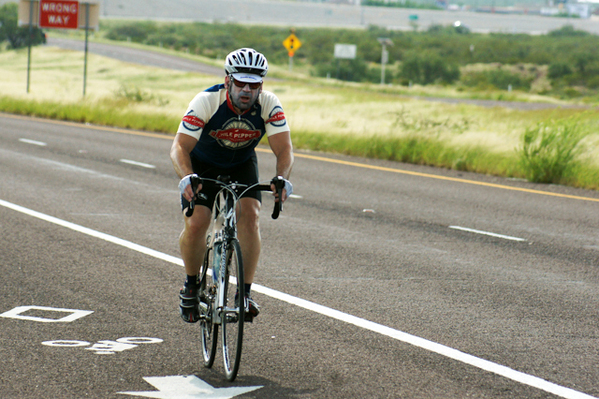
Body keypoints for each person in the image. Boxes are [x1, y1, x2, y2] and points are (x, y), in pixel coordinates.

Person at [170, 48, 294, 323]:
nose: (247, 90)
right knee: (197, 221)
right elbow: (179, 146)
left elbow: (284, 149)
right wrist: (187, 176)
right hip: (202, 165)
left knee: (250, 216)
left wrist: (282, 177)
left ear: (261, 85)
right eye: (241, 83)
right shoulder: (206, 101)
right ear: (228, 81)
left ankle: (244, 294)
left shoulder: (269, 104)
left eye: (254, 84)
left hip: (241, 162)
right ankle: (191, 286)